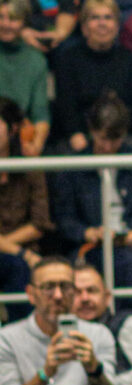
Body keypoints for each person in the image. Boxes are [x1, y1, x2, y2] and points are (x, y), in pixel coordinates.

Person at [50, 90, 132, 330]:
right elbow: (64, 218)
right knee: (122, 263)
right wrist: (87, 233)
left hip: (129, 244)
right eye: (103, 139)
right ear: (91, 131)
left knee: (128, 259)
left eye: (115, 139)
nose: (109, 146)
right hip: (89, 247)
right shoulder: (73, 165)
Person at [0, 256, 115, 385]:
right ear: (31, 294)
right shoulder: (6, 339)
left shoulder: (98, 334)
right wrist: (45, 373)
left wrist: (94, 370)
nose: (58, 295)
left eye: (65, 287)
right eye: (48, 287)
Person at [51, 0, 132, 147]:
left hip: (122, 137)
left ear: (117, 26)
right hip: (81, 137)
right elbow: (66, 106)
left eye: (108, 17)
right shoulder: (68, 60)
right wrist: (75, 134)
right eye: (95, 18)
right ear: (84, 27)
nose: (102, 23)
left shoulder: (130, 61)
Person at [0, 97, 49, 307]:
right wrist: (21, 252)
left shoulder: (29, 166)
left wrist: (10, 248)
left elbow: (39, 224)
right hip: (23, 253)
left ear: (12, 129)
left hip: (24, 253)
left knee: (20, 268)